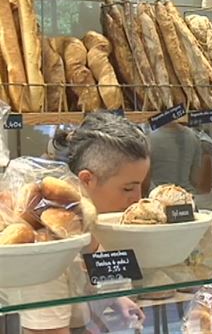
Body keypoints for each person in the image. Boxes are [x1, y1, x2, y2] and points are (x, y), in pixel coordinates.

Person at [20, 112, 148, 334]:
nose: (138, 199)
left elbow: (90, 272)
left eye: (141, 186)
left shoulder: (92, 227)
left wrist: (116, 299)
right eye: (128, 188)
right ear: (87, 179)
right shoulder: (49, 247)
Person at [147, 122, 212, 208]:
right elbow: (195, 179)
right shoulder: (193, 137)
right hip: (186, 200)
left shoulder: (149, 138)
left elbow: (145, 179)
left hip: (157, 199)